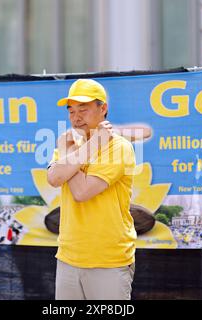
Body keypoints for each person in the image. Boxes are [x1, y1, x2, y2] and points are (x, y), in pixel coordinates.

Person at [47, 78, 137, 300]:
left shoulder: (119, 146)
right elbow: (54, 178)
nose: (76, 117)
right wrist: (92, 145)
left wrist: (70, 155)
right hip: (68, 256)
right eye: (71, 111)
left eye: (83, 109)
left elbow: (82, 192)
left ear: (103, 108)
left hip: (108, 260)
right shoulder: (68, 145)